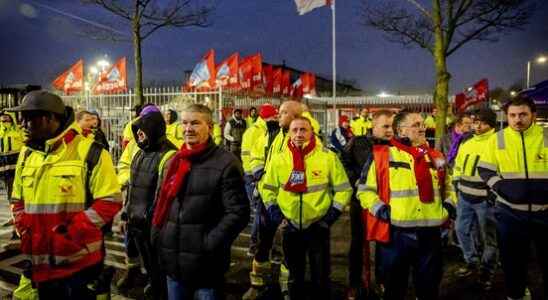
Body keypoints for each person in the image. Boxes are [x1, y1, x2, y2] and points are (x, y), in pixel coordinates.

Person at [9, 90, 122, 298]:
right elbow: (17, 198)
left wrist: (70, 233)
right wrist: (23, 226)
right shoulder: (26, 153)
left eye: (29, 119)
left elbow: (110, 201)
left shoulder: (91, 152)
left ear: (50, 118)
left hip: (78, 265)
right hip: (39, 263)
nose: (22, 124)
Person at [151, 104, 249, 300]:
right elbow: (162, 202)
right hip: (173, 264)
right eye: (185, 123)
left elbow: (238, 213)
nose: (188, 129)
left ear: (210, 128)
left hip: (206, 267)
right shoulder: (174, 161)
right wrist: (159, 235)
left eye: (195, 123)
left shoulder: (226, 163)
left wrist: (208, 243)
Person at [357, 110, 455, 300]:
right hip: (396, 235)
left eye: (423, 124)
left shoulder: (437, 156)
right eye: (416, 125)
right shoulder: (381, 155)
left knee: (429, 289)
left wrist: (449, 209)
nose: (422, 128)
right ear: (401, 131)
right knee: (394, 289)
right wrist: (382, 211)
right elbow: (364, 190)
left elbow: (450, 187)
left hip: (431, 235)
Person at [261, 116, 352, 299]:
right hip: (290, 227)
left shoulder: (328, 157)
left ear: (312, 133)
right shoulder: (278, 159)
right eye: (294, 130)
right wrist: (277, 215)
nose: (299, 134)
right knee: (295, 277)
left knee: (321, 277)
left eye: (303, 130)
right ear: (288, 133)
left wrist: (329, 217)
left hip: (318, 227)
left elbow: (344, 190)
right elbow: (267, 189)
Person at [477, 95, 548, 300]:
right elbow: (485, 170)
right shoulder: (497, 139)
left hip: (545, 213)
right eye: (513, 115)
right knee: (512, 263)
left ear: (533, 115)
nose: (517, 120)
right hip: (510, 215)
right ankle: (516, 295)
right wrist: (501, 188)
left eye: (523, 114)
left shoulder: (546, 135)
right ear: (506, 116)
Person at [244, 100, 304, 299]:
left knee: (289, 249)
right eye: (280, 111)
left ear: (296, 116)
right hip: (267, 200)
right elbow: (255, 156)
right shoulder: (273, 134)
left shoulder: (302, 139)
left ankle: (286, 287)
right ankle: (257, 284)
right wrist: (259, 174)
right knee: (264, 244)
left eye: (285, 112)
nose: (279, 115)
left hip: (288, 202)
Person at [121, 105, 177, 299]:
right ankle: (154, 285)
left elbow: (165, 197)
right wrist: (126, 212)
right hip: (137, 223)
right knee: (150, 265)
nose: (139, 135)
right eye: (137, 132)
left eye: (142, 131)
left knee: (160, 267)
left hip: (154, 227)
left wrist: (152, 223)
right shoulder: (139, 153)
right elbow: (133, 187)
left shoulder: (169, 155)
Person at [341, 110, 394, 300]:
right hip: (361, 202)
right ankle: (355, 283)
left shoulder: (396, 147)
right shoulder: (357, 142)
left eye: (392, 126)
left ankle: (382, 281)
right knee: (358, 243)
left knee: (384, 243)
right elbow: (343, 163)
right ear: (374, 126)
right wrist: (356, 180)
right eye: (385, 126)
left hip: (386, 204)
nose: (390, 131)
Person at [453, 108, 498, 289]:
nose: (477, 125)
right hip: (465, 196)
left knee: (489, 239)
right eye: (475, 121)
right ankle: (471, 261)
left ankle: (487, 272)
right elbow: (457, 165)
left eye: (482, 122)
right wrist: (456, 182)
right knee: (461, 230)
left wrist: (494, 194)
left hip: (485, 200)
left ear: (491, 124)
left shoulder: (497, 142)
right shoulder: (467, 141)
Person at [241, 103, 279, 256]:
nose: (277, 117)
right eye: (275, 114)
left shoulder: (263, 130)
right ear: (268, 116)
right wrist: (254, 178)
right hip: (255, 177)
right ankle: (255, 245)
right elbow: (248, 155)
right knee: (260, 212)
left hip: (261, 176)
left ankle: (261, 245)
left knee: (263, 212)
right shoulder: (255, 132)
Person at [0, 112, 24, 206]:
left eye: (6, 116)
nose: (4, 118)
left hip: (15, 160)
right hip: (2, 160)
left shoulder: (18, 130)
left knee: (14, 182)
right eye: (2, 116)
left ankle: (14, 202)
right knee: (6, 182)